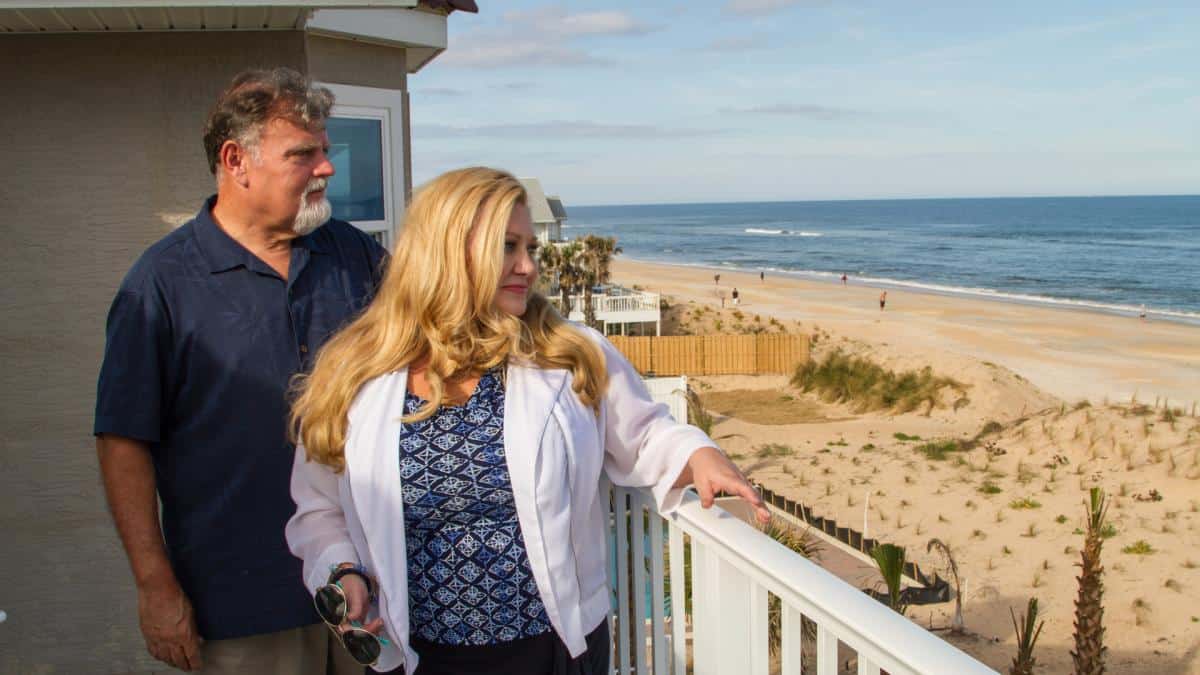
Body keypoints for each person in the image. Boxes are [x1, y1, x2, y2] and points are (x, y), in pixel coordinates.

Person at [286, 167, 768, 675]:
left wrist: (698, 452)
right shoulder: (355, 374)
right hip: (421, 658)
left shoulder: (566, 353)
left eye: (531, 248)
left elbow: (644, 435)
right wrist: (342, 570)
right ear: (447, 254)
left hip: (554, 650)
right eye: (507, 247)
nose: (528, 267)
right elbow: (317, 508)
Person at [94, 68, 387, 674]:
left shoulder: (356, 256)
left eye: (325, 152)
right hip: (244, 608)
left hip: (373, 590)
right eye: (303, 154)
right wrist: (155, 585)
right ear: (236, 161)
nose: (326, 169)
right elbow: (123, 442)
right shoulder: (161, 285)